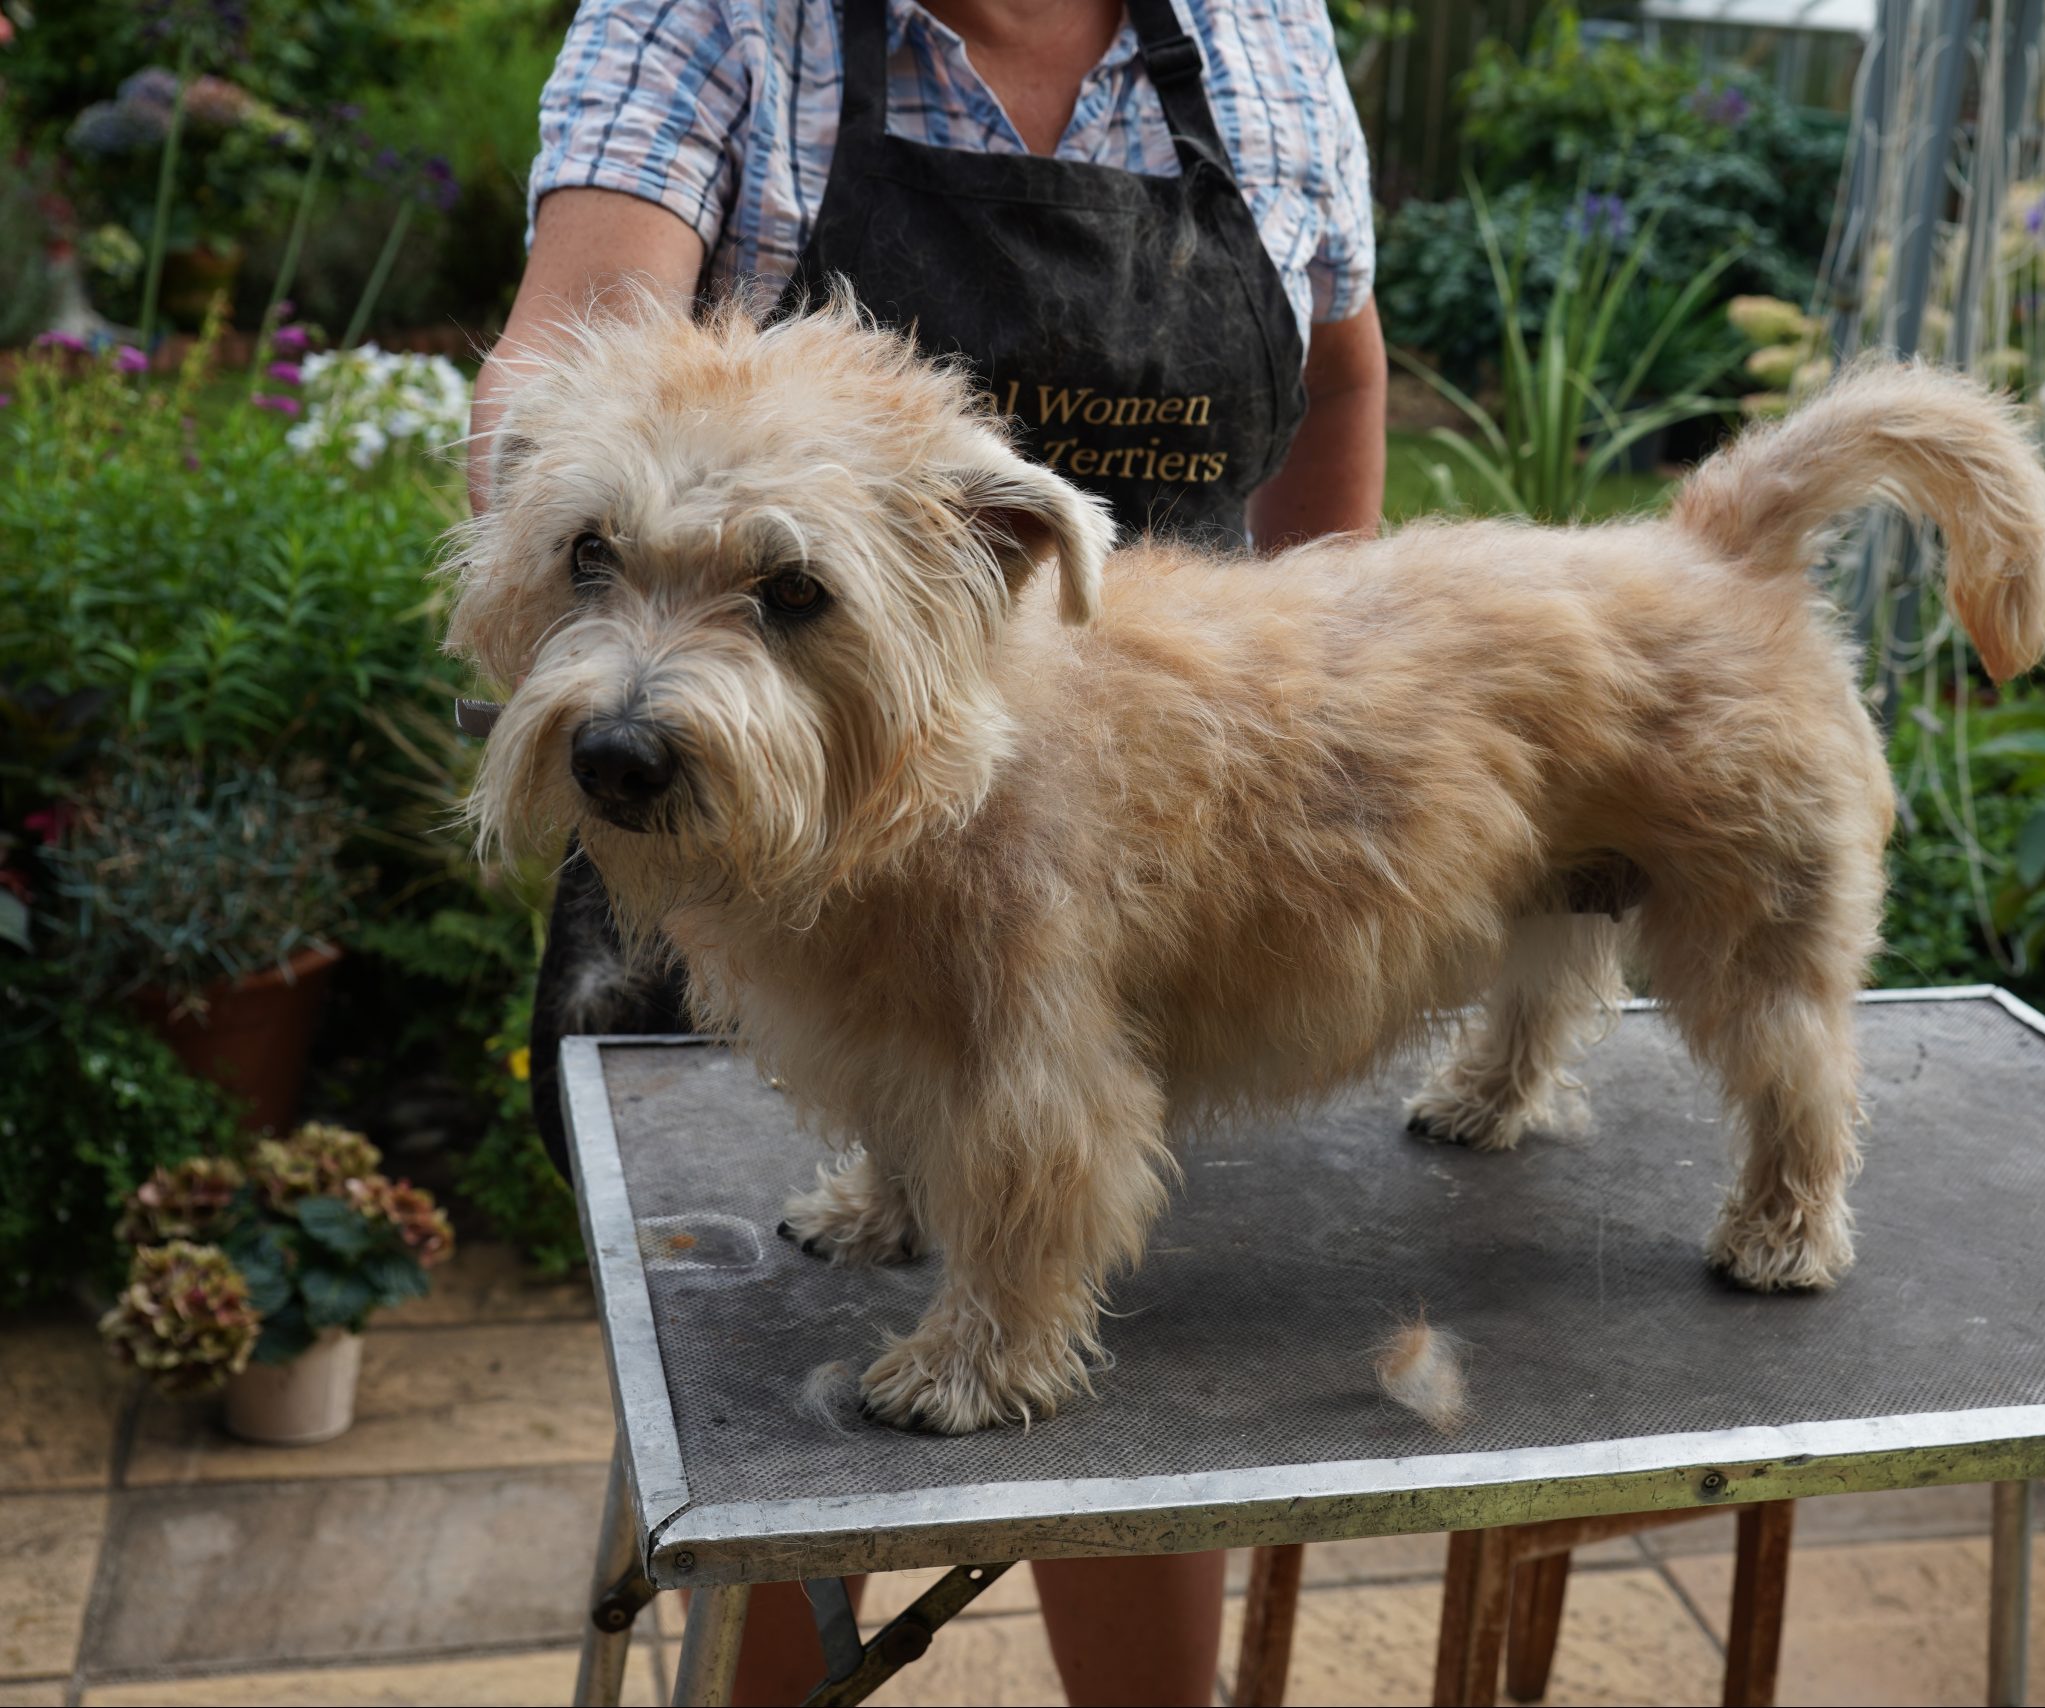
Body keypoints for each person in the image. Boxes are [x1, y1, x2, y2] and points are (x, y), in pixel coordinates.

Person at [469, 2, 1385, 1701]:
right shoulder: (711, 14)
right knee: (779, 1475)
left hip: (1144, 851)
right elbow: (566, 356)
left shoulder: (1265, 29)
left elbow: (1336, 378)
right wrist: (591, 545)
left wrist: (1344, 688)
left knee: (1131, 1423)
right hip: (735, 854)